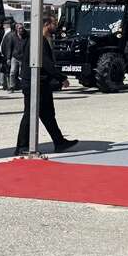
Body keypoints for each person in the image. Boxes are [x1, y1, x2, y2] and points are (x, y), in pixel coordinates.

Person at [16, 16, 77, 155]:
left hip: (41, 83)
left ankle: (59, 142)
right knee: (30, 114)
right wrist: (62, 78)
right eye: (54, 23)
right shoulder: (38, 41)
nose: (56, 26)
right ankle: (22, 146)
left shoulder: (39, 39)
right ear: (47, 24)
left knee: (48, 114)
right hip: (35, 83)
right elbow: (46, 63)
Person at [0, 21, 23, 93]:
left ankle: (21, 85)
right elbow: (8, 47)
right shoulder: (11, 36)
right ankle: (11, 86)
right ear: (16, 28)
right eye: (19, 28)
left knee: (21, 72)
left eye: (22, 28)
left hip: (22, 56)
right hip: (14, 56)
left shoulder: (25, 35)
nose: (21, 29)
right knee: (12, 72)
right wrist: (8, 58)